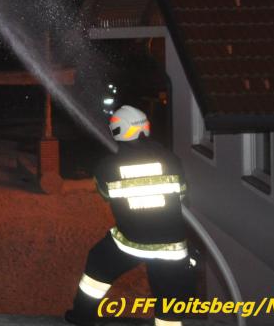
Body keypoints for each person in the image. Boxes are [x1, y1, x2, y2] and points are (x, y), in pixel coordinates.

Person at [66, 105, 196, 326]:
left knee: (98, 264)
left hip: (130, 242)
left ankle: (82, 316)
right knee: (169, 302)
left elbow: (105, 193)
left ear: (118, 130)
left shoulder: (108, 166)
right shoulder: (171, 160)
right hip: (171, 248)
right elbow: (182, 193)